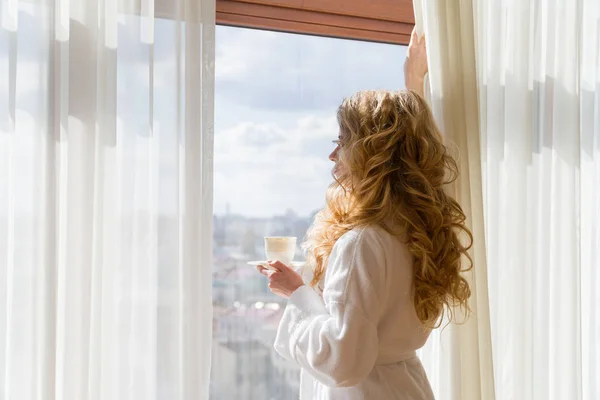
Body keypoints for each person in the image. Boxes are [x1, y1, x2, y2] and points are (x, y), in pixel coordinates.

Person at [256, 29, 472, 399]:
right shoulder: (417, 226)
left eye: (342, 142)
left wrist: (299, 293)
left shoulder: (363, 242)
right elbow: (421, 154)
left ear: (369, 154)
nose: (332, 156)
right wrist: (413, 82)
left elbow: (344, 361)